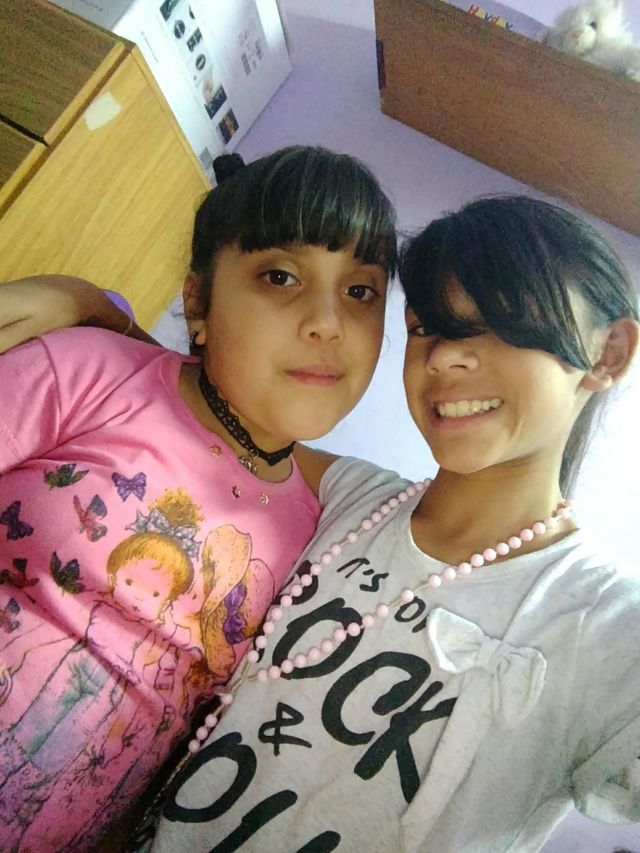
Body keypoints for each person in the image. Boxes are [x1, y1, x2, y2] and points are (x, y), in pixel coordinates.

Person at [138, 196, 637, 852]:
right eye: (427, 326)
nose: (444, 358)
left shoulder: (607, 627)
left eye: (500, 322)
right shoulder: (351, 495)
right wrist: (94, 309)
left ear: (607, 354)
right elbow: (214, 410)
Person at [0, 145, 397, 851]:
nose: (327, 322)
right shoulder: (91, 374)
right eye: (281, 276)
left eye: (361, 291)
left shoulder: (320, 541)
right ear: (197, 301)